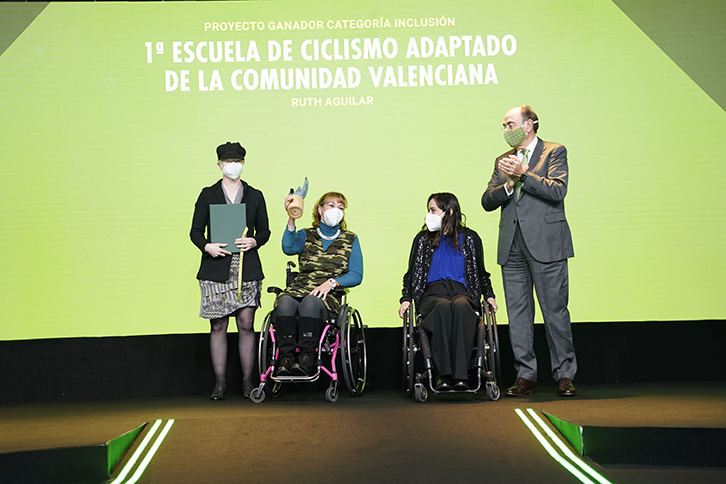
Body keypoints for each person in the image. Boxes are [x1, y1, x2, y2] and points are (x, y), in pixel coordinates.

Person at [481, 106, 577, 397]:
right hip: (512, 246)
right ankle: (526, 376)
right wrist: (508, 186)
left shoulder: (554, 151)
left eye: (510, 123)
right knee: (519, 314)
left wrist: (523, 175)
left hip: (547, 243)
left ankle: (565, 375)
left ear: (529, 125)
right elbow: (487, 200)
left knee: (555, 312)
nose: (505, 129)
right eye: (503, 125)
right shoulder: (502, 160)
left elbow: (557, 190)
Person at [190, 142, 270, 401]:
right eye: (228, 161)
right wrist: (207, 246)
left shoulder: (255, 195)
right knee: (218, 325)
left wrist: (255, 241)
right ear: (219, 165)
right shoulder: (207, 194)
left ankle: (249, 382)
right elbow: (195, 231)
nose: (233, 165)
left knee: (246, 324)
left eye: (238, 161)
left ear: (243, 164)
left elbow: (265, 230)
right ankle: (220, 383)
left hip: (246, 267)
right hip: (216, 266)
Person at [399, 193, 497, 391]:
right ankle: (443, 376)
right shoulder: (422, 240)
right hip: (432, 293)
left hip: (462, 291)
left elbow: (481, 273)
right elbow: (411, 275)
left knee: (461, 307)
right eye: (429, 210)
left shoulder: (470, 238)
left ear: (449, 212)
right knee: (442, 307)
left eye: (433, 210)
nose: (429, 214)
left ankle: (461, 376)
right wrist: (406, 299)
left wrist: (489, 295)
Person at [274, 191, 363, 376]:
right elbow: (288, 248)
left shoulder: (350, 239)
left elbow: (356, 274)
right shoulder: (306, 235)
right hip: (300, 287)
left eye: (340, 207)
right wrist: (291, 219)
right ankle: (285, 358)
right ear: (320, 209)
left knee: (310, 301)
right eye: (331, 206)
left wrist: (332, 283)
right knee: (284, 301)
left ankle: (307, 358)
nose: (336, 211)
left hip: (328, 295)